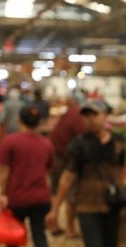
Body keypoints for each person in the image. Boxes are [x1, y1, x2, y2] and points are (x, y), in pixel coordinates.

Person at [46, 100, 126, 247]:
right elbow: (68, 176)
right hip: (87, 203)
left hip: (112, 203)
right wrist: (55, 208)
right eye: (86, 115)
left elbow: (120, 170)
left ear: (105, 116)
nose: (90, 119)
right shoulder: (78, 145)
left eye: (95, 114)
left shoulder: (118, 142)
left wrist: (121, 192)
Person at [0, 105, 55, 247]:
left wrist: (3, 194)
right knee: (40, 235)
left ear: (19, 121)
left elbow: (4, 172)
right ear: (39, 123)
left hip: (17, 197)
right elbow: (48, 172)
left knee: (12, 235)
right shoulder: (46, 144)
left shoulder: (10, 142)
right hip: (40, 197)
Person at [48, 95, 86, 238]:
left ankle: (53, 223)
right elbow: (83, 138)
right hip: (65, 157)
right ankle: (70, 229)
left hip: (56, 153)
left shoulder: (69, 114)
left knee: (56, 190)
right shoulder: (78, 116)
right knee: (71, 192)